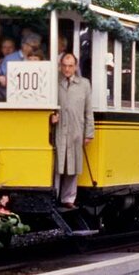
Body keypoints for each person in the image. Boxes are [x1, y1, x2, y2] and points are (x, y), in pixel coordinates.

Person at [50, 52, 94, 209]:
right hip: (59, 129)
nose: (67, 69)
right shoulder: (54, 82)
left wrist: (89, 133)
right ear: (60, 66)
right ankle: (53, 196)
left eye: (70, 66)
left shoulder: (84, 84)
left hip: (76, 129)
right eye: (64, 66)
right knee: (56, 164)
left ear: (75, 67)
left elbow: (88, 111)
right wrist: (50, 117)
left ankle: (68, 198)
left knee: (72, 164)